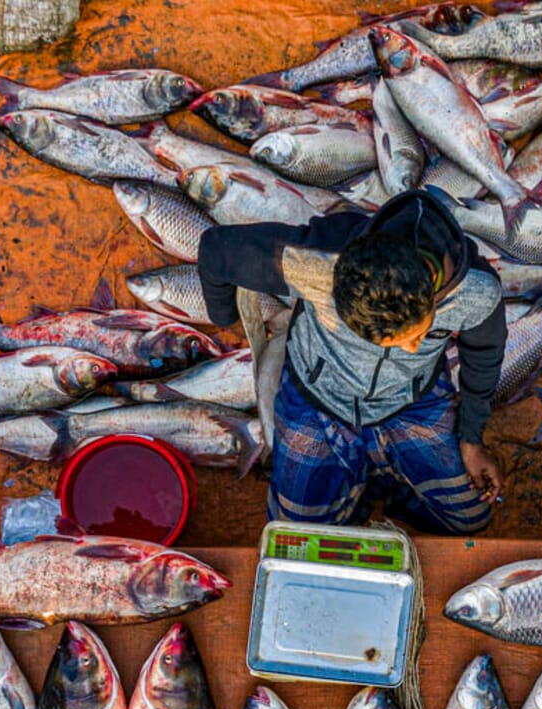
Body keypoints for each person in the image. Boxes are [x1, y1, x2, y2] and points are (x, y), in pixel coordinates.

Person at [197, 188, 507, 535]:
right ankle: (353, 494)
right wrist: (224, 319)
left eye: (420, 335)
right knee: (295, 537)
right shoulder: (313, 259)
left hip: (413, 400)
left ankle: (381, 490)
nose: (411, 349)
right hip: (315, 398)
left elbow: (485, 354)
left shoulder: (478, 292)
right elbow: (215, 249)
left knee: (471, 518)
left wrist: (471, 437)